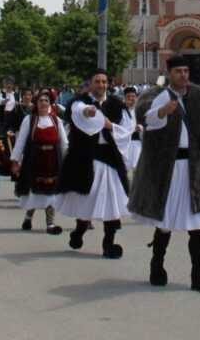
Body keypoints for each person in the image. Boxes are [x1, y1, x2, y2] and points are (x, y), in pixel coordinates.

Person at [129, 55, 200, 294]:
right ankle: (157, 265)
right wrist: (162, 111)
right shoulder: (156, 96)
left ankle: (198, 276)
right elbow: (147, 121)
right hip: (168, 170)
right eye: (178, 71)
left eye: (186, 71)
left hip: (195, 167)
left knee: (198, 225)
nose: (183, 75)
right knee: (164, 223)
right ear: (169, 73)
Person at [58, 70, 133, 259]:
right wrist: (87, 111)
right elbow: (77, 111)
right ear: (90, 84)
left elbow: (126, 131)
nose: (101, 85)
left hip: (109, 159)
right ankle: (79, 231)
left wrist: (110, 126)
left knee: (111, 204)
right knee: (87, 201)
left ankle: (108, 244)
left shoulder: (117, 105)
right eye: (97, 81)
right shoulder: (80, 102)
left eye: (104, 82)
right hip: (86, 158)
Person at [11, 91, 67, 235]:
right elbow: (21, 141)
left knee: (51, 193)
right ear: (36, 103)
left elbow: (64, 143)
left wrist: (68, 160)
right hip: (34, 161)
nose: (43, 103)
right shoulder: (29, 120)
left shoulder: (56, 121)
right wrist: (15, 160)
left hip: (53, 162)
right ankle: (28, 217)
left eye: (46, 100)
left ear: (50, 103)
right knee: (34, 192)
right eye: (41, 100)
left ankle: (50, 223)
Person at [122, 87, 143, 174]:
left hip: (137, 143)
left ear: (136, 97)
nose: (131, 99)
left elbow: (145, 125)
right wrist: (132, 129)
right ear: (124, 98)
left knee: (137, 170)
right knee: (125, 170)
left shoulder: (140, 111)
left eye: (133, 96)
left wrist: (141, 127)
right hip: (124, 144)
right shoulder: (120, 111)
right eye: (128, 96)